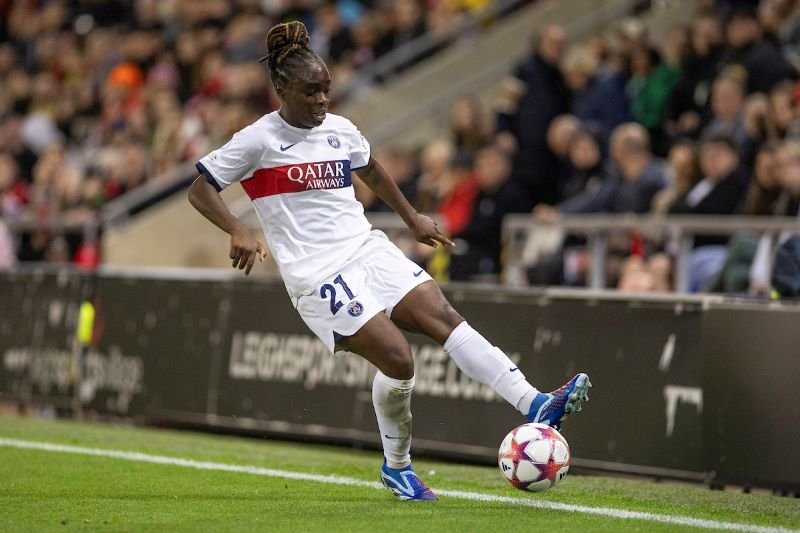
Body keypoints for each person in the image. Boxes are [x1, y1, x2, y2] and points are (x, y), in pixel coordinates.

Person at [187, 21, 591, 502]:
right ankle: (397, 466)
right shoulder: (258, 140)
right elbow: (200, 188)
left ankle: (537, 403)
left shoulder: (339, 130)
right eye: (310, 92)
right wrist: (238, 228)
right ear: (281, 89)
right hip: (317, 275)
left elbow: (372, 168)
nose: (322, 101)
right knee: (399, 359)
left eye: (327, 91)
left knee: (442, 315)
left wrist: (412, 216)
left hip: (366, 246)